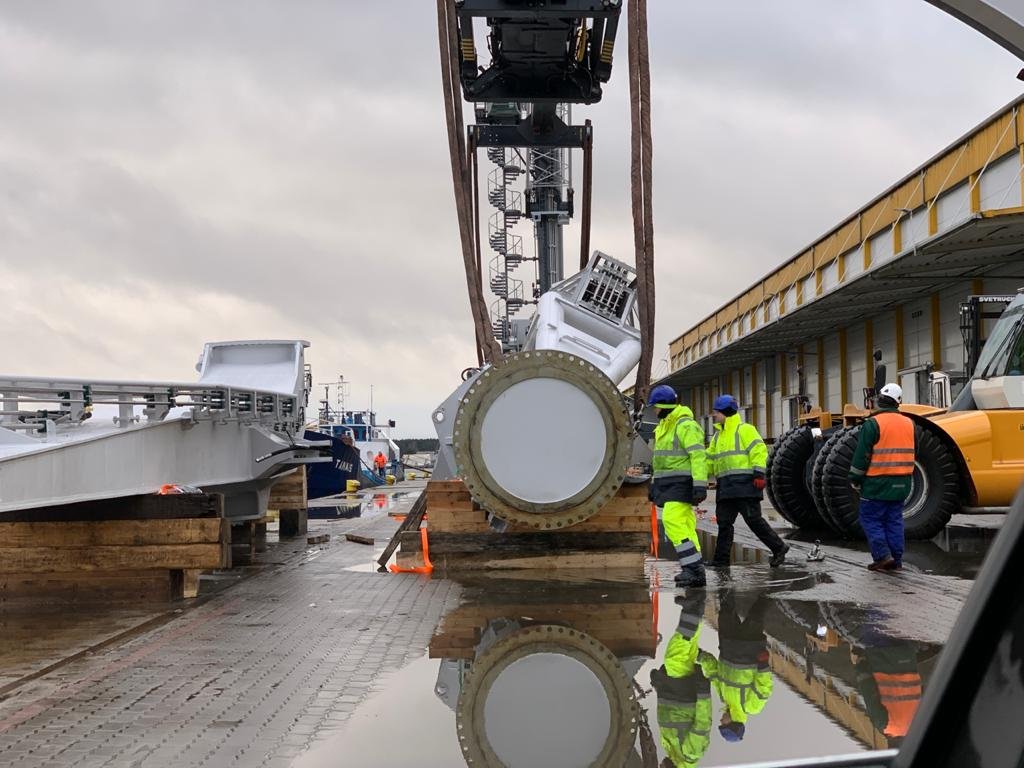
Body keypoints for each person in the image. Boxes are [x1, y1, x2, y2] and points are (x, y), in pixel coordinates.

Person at [706, 395, 788, 568]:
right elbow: (710, 461)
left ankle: (779, 547)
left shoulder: (745, 430)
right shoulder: (717, 437)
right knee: (724, 523)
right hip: (727, 487)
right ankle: (720, 561)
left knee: (754, 521)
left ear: (725, 412)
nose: (714, 415)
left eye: (716, 412)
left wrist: (759, 475)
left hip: (745, 486)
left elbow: (759, 451)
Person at [849, 382, 914, 571]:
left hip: (877, 483)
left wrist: (855, 478)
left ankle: (882, 556)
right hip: (902, 483)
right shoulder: (909, 423)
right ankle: (896, 559)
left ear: (880, 401)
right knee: (894, 520)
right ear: (898, 402)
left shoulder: (873, 424)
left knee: (871, 519)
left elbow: (862, 455)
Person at [648, 384, 708, 588]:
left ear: (663, 405)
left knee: (672, 521)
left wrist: (700, 484)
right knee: (686, 526)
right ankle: (695, 569)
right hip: (670, 484)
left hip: (681, 484)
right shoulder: (664, 426)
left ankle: (692, 568)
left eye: (655, 406)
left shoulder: (685, 425)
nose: (654, 411)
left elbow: (698, 456)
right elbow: (660, 461)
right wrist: (654, 485)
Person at [698, 590, 774, 744]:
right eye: (723, 724)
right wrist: (763, 665)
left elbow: (713, 671)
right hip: (749, 649)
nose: (721, 720)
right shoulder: (751, 708)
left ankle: (723, 574)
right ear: (732, 724)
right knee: (757, 611)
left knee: (725, 610)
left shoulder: (724, 698)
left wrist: (700, 656)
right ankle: (777, 583)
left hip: (729, 645)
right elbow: (764, 688)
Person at [650, 593, 712, 767]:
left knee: (689, 649)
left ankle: (697, 608)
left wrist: (660, 688)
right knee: (674, 657)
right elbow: (703, 722)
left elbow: (668, 716)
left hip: (673, 693)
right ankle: (692, 610)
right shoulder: (690, 754)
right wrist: (704, 693)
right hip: (684, 695)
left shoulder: (672, 753)